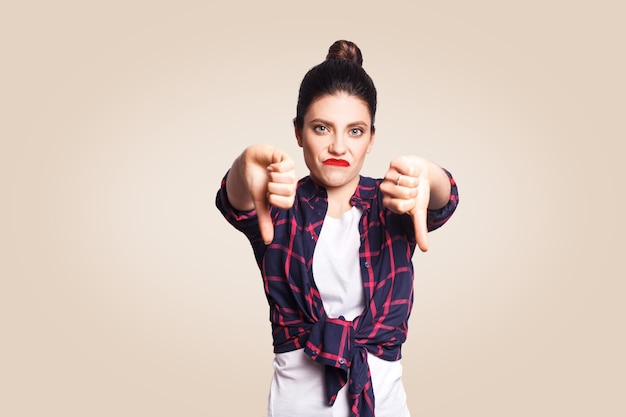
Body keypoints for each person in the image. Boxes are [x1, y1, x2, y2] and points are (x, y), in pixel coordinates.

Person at [216, 40, 459, 417]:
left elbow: (442, 200)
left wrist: (430, 174)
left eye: (356, 131)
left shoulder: (393, 202)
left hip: (385, 406)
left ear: (372, 139)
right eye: (321, 128)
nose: (339, 146)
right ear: (298, 133)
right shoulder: (280, 205)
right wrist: (242, 167)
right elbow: (236, 201)